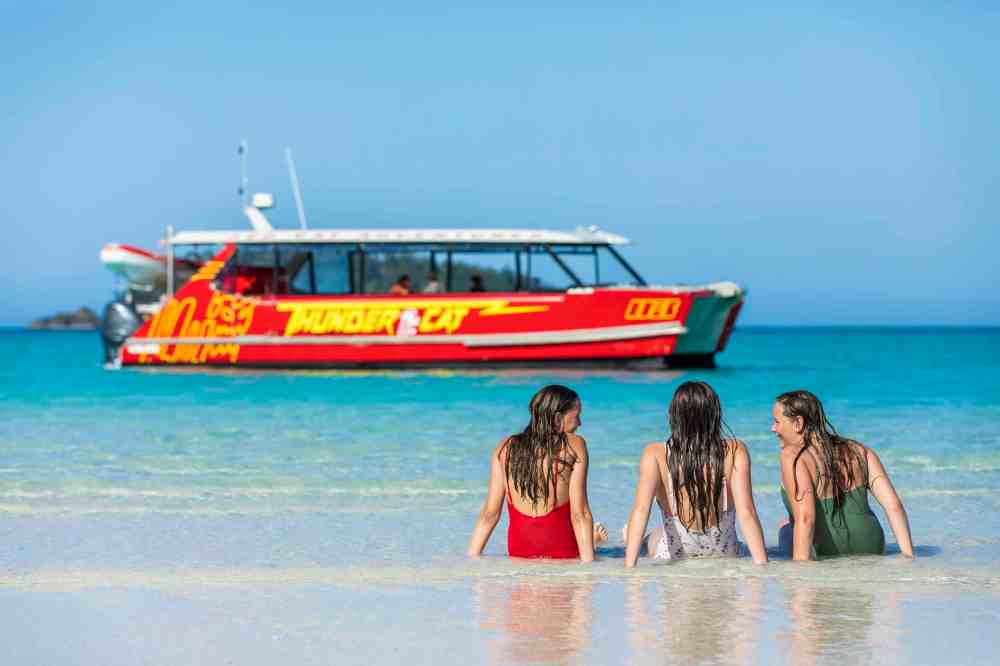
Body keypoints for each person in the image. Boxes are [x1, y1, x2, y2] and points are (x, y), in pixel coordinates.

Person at [624, 381, 768, 566]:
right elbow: (747, 512)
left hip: (673, 556)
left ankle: (632, 538)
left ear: (674, 415)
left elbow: (641, 511)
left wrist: (629, 570)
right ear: (714, 414)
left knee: (654, 536)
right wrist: (762, 565)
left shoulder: (655, 454)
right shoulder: (735, 450)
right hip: (725, 553)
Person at [468, 385, 607, 560]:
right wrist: (589, 567)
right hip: (564, 551)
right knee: (610, 552)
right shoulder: (574, 445)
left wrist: (471, 558)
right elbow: (580, 514)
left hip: (520, 553)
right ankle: (595, 542)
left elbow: (490, 514)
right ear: (558, 418)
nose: (580, 423)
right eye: (577, 415)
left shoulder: (505, 448)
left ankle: (595, 541)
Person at [773, 390, 914, 559]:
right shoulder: (859, 450)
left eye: (777, 421)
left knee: (786, 527)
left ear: (798, 423)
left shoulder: (792, 456)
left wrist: (800, 577)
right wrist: (908, 556)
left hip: (827, 549)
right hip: (871, 544)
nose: (773, 428)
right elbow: (894, 506)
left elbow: (806, 518)